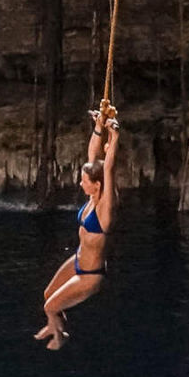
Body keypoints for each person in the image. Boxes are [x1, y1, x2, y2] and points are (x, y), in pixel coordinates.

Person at [35, 107, 120, 350]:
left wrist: (114, 137)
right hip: (78, 261)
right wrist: (99, 125)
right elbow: (93, 155)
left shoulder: (105, 208)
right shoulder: (93, 198)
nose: (80, 183)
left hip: (90, 276)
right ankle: (55, 326)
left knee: (50, 306)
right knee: (47, 295)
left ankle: (59, 336)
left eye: (84, 181)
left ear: (96, 185)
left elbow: (109, 168)